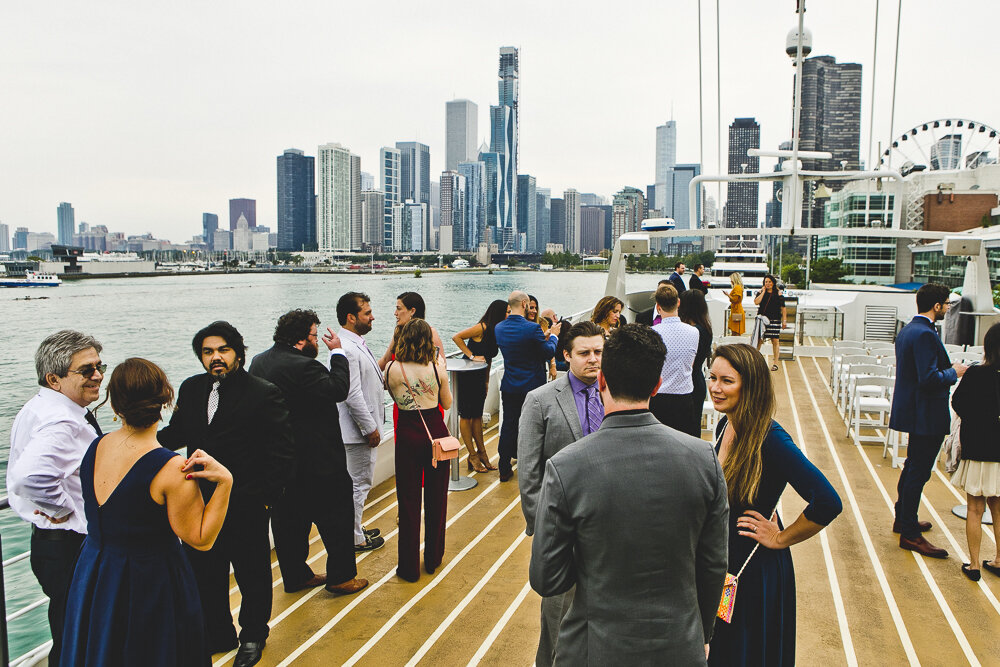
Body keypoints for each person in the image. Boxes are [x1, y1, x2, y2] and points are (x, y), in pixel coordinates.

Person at [529, 324, 729, 665]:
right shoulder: (703, 459)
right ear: (657, 385)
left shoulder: (567, 467)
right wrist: (703, 633)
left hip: (595, 648)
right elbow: (714, 566)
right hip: (679, 646)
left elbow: (547, 578)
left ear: (603, 381)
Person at [61, 358, 232, 667]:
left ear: (114, 404)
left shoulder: (95, 447)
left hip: (96, 573)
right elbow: (201, 539)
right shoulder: (170, 469)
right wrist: (225, 483)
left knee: (102, 648)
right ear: (166, 401)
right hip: (151, 582)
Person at [158, 321, 295, 667]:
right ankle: (218, 632)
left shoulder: (263, 392)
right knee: (206, 571)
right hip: (198, 503)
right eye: (207, 352)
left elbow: (281, 452)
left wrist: (266, 498)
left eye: (222, 350)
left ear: (238, 353)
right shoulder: (191, 389)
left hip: (246, 502)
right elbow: (176, 433)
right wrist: (137, 444)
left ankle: (252, 635)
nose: (215, 357)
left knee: (252, 574)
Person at [707, 343, 842, 666]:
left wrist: (780, 537)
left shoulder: (770, 438)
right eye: (712, 377)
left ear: (750, 386)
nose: (715, 388)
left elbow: (827, 501)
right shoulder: (726, 423)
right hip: (727, 561)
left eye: (727, 381)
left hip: (752, 570)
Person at [249, 309, 375, 597]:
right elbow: (338, 389)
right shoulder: (306, 366)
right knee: (337, 518)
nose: (318, 340)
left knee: (289, 522)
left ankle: (295, 576)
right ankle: (341, 578)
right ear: (302, 338)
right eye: (315, 335)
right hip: (318, 458)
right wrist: (338, 354)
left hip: (278, 461)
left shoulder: (259, 362)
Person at [7, 330, 106, 666]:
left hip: (54, 545)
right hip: (70, 544)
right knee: (80, 634)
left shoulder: (42, 406)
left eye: (99, 366)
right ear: (54, 378)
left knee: (70, 628)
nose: (98, 376)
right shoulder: (61, 420)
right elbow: (29, 477)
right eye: (86, 370)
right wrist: (62, 510)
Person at [518, 320, 605, 667]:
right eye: (584, 353)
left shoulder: (614, 393)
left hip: (606, 526)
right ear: (566, 355)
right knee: (558, 615)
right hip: (563, 530)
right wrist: (547, 529)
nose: (594, 360)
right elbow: (529, 473)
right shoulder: (539, 401)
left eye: (599, 352)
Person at [889, 283, 967, 558]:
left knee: (912, 468)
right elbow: (929, 378)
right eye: (946, 304)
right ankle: (910, 533)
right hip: (926, 414)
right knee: (919, 472)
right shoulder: (925, 334)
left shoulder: (909, 330)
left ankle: (904, 518)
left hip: (914, 411)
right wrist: (954, 372)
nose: (947, 308)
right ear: (936, 306)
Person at [384, 319, 453, 582]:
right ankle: (433, 558)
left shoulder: (392, 368)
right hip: (434, 434)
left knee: (408, 502)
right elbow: (446, 404)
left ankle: (409, 568)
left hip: (407, 434)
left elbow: (394, 397)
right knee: (436, 498)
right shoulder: (436, 368)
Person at [334, 293, 389, 552]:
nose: (372, 316)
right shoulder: (346, 348)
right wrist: (370, 428)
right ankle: (355, 537)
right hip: (357, 433)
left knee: (357, 483)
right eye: (367, 313)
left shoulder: (354, 343)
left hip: (357, 431)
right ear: (351, 317)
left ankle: (355, 527)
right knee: (359, 484)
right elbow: (351, 393)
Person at [495, 291, 562, 482]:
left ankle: (504, 467)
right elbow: (547, 351)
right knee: (534, 427)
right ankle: (534, 468)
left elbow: (520, 348)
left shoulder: (499, 328)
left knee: (508, 425)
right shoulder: (532, 329)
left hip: (510, 385)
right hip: (533, 387)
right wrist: (554, 337)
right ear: (525, 304)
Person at [951, 322, 1000, 580]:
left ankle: (974, 566)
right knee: (999, 509)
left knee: (975, 509)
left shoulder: (975, 374)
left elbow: (957, 403)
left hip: (977, 449)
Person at [452, 299, 508, 472]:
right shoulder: (482, 327)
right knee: (466, 416)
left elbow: (489, 358)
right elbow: (457, 337)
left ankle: (482, 453)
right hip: (467, 376)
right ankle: (473, 455)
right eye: (506, 312)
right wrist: (471, 355)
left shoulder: (495, 332)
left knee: (476, 416)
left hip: (479, 377)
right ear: (498, 313)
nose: (508, 314)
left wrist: (486, 381)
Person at [650, 284, 701, 436]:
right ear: (678, 302)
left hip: (658, 398)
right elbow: (690, 364)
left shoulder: (652, 333)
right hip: (684, 397)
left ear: (658, 306)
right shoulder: (694, 332)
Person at [377, 291, 446, 370]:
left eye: (399, 309)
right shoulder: (398, 332)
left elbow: (441, 365)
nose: (395, 313)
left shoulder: (430, 333)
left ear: (412, 311)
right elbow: (386, 360)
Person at [680, 289, 714, 435]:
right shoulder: (705, 329)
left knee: (687, 425)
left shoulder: (692, 331)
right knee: (694, 425)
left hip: (689, 381)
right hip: (697, 379)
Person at [753, 274, 786, 370]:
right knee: (759, 340)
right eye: (766, 282)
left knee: (775, 341)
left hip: (775, 320)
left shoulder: (778, 294)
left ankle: (775, 363)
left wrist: (784, 321)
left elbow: (783, 308)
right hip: (763, 320)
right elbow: (756, 302)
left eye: (769, 282)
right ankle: (756, 361)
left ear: (773, 283)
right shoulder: (760, 293)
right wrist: (763, 292)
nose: (768, 284)